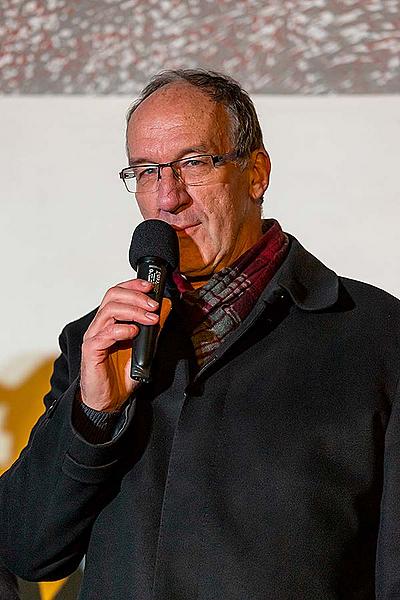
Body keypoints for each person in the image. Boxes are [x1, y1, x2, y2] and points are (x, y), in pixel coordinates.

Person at [1, 69, 400, 600]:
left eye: (194, 163)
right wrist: (92, 418)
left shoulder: (376, 334)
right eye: (146, 171)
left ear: (256, 173)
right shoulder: (97, 343)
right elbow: (28, 549)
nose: (168, 198)